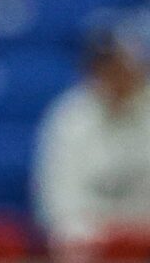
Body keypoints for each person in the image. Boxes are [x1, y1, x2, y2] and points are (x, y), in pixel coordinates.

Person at [33, 13, 150, 248]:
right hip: (88, 247)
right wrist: (97, 240)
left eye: (119, 65)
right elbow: (57, 202)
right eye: (102, 67)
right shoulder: (69, 117)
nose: (111, 76)